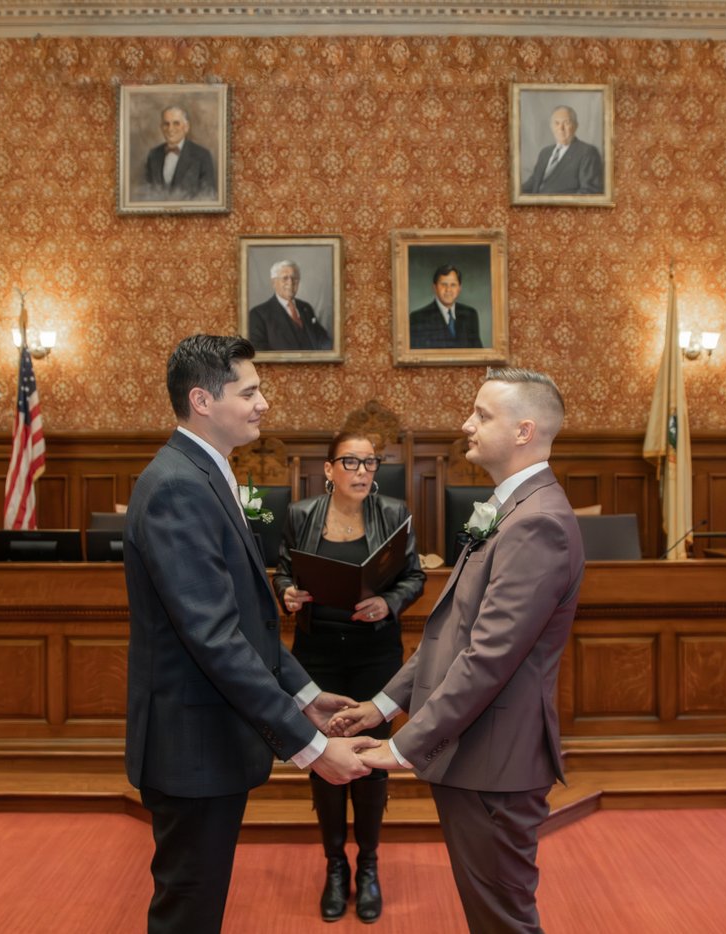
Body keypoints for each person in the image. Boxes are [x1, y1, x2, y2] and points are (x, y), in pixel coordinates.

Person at [123, 334, 377, 933]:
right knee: (188, 912)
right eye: (250, 390)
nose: (264, 402)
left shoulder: (207, 473)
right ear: (202, 401)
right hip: (192, 745)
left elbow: (247, 616)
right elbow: (215, 639)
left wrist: (305, 693)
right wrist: (312, 750)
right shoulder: (178, 486)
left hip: (212, 738)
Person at [331, 367, 584, 934]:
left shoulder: (538, 522)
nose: (466, 424)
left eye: (482, 415)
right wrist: (382, 706)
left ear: (524, 431)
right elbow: (451, 633)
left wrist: (402, 749)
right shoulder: (509, 509)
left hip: (497, 760)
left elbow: (488, 658)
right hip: (477, 754)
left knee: (502, 921)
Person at [274, 432, 426, 923]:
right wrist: (289, 595)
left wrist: (390, 602)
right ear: (328, 469)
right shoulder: (300, 516)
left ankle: (370, 866)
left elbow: (414, 577)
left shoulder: (394, 511)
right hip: (316, 658)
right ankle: (335, 866)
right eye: (352, 462)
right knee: (325, 762)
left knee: (370, 762)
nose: (363, 471)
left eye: (370, 463)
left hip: (374, 655)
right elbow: (283, 574)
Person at [247, 260, 332, 351]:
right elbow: (259, 352)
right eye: (285, 278)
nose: (290, 282)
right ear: (274, 283)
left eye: (294, 278)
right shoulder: (258, 314)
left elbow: (323, 339)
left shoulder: (306, 308)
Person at [521, 105, 603, 195]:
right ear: (551, 127)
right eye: (556, 123)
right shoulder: (545, 153)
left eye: (566, 123)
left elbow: (589, 191)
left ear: (575, 126)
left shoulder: (587, 152)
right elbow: (534, 182)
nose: (561, 128)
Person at [143, 105, 216, 200]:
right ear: (161, 127)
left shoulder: (202, 156)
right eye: (166, 124)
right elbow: (146, 194)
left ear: (186, 127)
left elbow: (208, 196)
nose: (170, 129)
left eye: (176, 123)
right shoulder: (153, 155)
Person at [408, 265, 483, 349]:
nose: (448, 289)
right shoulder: (418, 318)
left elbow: (478, 354)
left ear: (459, 288)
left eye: (453, 285)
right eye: (443, 284)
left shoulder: (470, 314)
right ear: (435, 288)